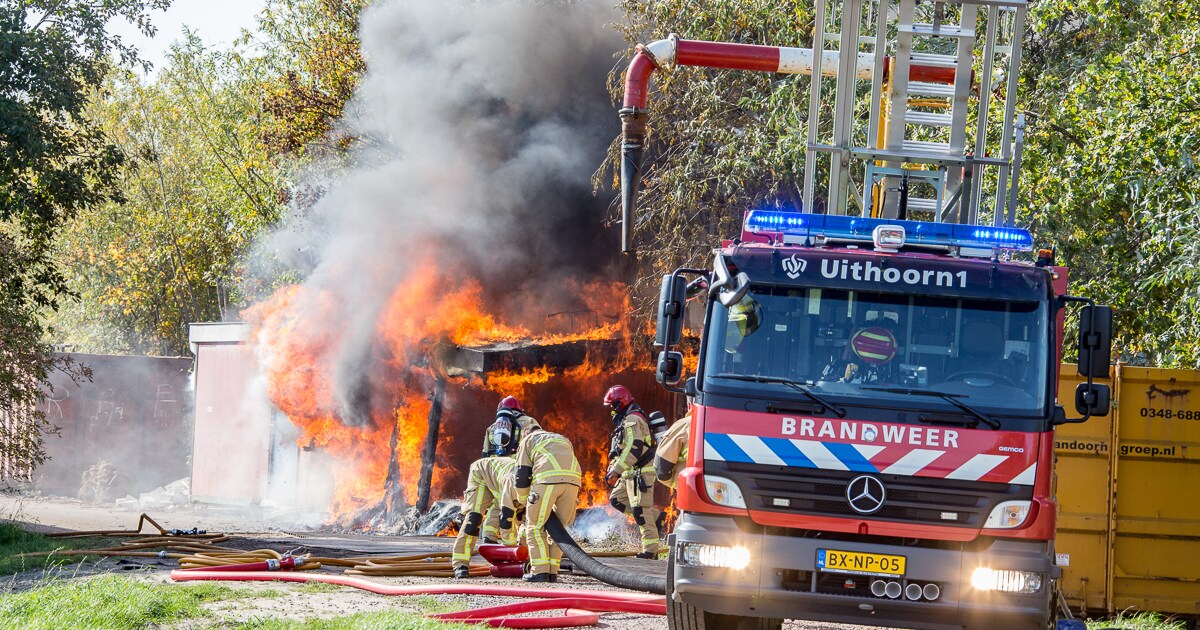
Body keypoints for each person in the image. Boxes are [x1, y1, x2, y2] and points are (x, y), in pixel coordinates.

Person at [503, 407, 581, 582]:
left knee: (534, 526)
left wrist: (523, 501)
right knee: (559, 530)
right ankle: (553, 572)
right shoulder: (561, 438)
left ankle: (539, 572)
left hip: (547, 481)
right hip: (573, 482)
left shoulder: (528, 440)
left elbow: (521, 474)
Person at [451, 398, 525, 579]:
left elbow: (485, 455)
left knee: (474, 517)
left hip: (490, 472)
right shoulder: (527, 424)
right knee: (520, 516)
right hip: (511, 474)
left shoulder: (492, 428)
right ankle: (515, 555)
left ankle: (461, 564)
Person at [603, 385, 662, 559]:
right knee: (617, 500)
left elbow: (634, 448)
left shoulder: (633, 420)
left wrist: (617, 470)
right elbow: (623, 450)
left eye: (612, 407)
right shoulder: (626, 421)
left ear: (619, 404)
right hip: (630, 471)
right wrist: (614, 466)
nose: (611, 412)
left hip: (641, 471)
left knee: (640, 510)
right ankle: (657, 517)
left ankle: (650, 550)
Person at [654, 401, 693, 490]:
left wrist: (675, 484)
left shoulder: (687, 424)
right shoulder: (729, 426)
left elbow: (661, 466)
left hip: (689, 490)